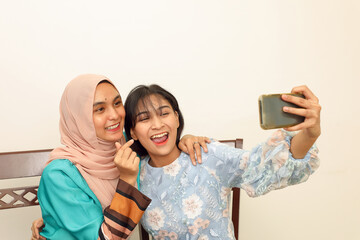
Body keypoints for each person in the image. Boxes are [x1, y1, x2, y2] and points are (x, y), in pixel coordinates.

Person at [123, 84, 321, 239]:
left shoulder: (206, 155)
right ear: (132, 131)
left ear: (176, 118)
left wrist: (310, 133)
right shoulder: (133, 175)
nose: (157, 124)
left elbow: (264, 168)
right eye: (144, 119)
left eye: (164, 113)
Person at [32, 74, 210, 240]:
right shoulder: (58, 175)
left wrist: (185, 140)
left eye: (117, 103)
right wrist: (126, 179)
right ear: (78, 118)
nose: (115, 115)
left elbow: (156, 136)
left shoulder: (125, 146)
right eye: (100, 109)